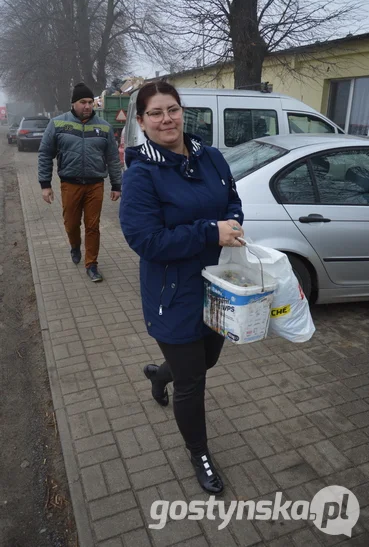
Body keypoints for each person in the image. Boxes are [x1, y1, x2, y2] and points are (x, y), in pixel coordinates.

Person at [120, 82, 244, 495]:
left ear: (182, 112)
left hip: (218, 286)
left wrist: (233, 221)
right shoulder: (142, 175)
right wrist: (212, 231)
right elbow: (147, 241)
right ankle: (199, 453)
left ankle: (159, 375)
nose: (166, 119)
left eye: (172, 109)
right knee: (193, 383)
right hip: (172, 295)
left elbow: (232, 199)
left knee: (206, 360)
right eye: (155, 113)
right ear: (141, 121)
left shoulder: (211, 157)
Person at [38, 82, 122, 282]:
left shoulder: (104, 127)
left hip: (95, 185)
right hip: (70, 184)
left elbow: (112, 158)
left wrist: (117, 185)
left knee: (92, 226)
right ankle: (75, 245)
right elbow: (45, 154)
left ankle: (91, 264)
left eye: (90, 102)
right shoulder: (58, 124)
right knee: (71, 224)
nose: (87, 106)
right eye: (83, 102)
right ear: (73, 103)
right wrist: (45, 184)